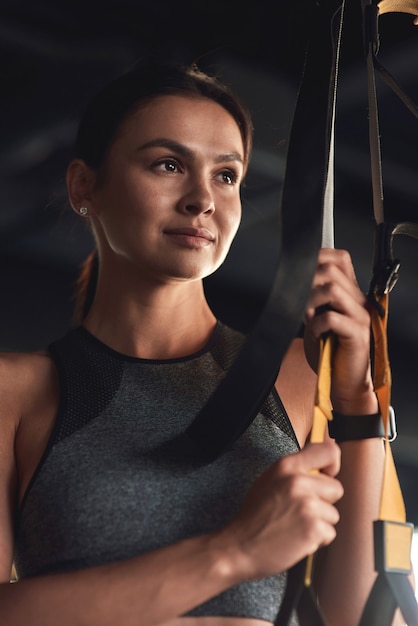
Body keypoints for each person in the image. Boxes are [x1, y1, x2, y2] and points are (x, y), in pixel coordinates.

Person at [0, 59, 401, 626]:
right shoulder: (14, 392)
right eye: (168, 164)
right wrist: (232, 553)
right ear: (83, 186)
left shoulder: (306, 375)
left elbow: (370, 620)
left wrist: (360, 402)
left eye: (227, 175)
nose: (202, 200)